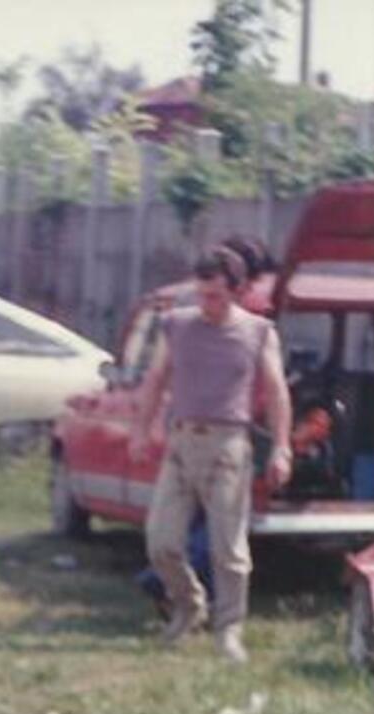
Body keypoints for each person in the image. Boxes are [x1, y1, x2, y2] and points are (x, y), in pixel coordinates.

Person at [130, 245, 292, 664]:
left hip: (229, 447)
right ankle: (188, 606)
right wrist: (141, 430)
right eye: (202, 295)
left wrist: (281, 447)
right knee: (161, 543)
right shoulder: (177, 325)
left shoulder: (258, 332)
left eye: (216, 296)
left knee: (228, 549)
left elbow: (276, 393)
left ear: (237, 291)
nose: (207, 304)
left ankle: (229, 630)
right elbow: (155, 379)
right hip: (181, 444)